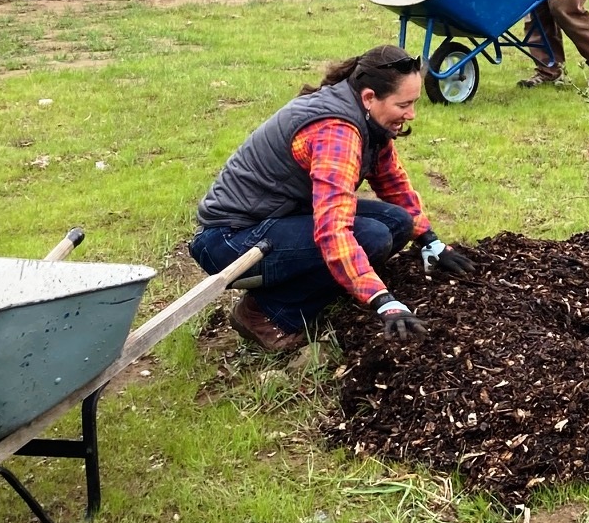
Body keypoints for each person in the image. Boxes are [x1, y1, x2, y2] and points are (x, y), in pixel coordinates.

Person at [189, 44, 476, 353]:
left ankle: (309, 287)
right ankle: (267, 313)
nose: (411, 114)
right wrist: (382, 300)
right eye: (403, 105)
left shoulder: (366, 119)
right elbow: (332, 230)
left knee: (397, 223)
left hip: (278, 219)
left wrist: (430, 241)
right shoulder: (336, 131)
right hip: (230, 242)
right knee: (372, 237)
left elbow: (391, 181)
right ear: (369, 97)